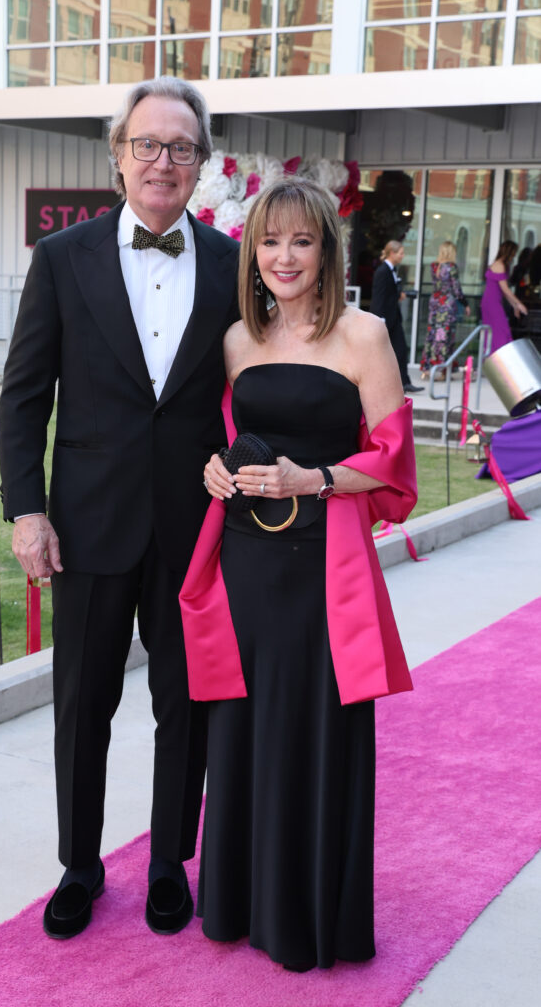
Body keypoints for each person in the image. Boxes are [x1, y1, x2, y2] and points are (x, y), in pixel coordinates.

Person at [0, 77, 240, 940]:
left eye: (180, 146)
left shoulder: (230, 264)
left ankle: (172, 861)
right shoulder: (63, 259)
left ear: (201, 164)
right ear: (118, 156)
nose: (162, 161)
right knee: (82, 706)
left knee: (186, 705)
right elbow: (24, 396)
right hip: (88, 527)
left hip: (196, 528)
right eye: (147, 144)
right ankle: (78, 865)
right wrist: (28, 511)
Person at [179, 178, 417, 971]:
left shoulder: (363, 335)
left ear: (325, 249)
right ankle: (241, 901)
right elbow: (234, 441)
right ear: (252, 252)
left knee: (310, 728)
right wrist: (218, 470)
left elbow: (390, 466)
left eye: (301, 242)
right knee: (242, 730)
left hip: (322, 569)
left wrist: (309, 478)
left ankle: (308, 915)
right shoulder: (236, 340)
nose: (284, 257)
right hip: (246, 566)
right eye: (269, 242)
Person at [370, 240, 423, 393]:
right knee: (384, 352)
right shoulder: (383, 271)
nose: (402, 256)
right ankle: (386, 383)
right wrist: (380, 320)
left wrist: (399, 295)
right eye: (401, 253)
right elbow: (379, 297)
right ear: (392, 253)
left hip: (393, 317)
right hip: (385, 318)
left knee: (400, 350)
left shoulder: (392, 270)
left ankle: (404, 382)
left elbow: (389, 294)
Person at [420, 240, 470, 379]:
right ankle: (442, 370)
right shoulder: (451, 267)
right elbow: (456, 289)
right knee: (445, 336)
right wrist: (465, 304)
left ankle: (428, 368)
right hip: (446, 305)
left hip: (435, 302)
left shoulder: (434, 266)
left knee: (432, 334)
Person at [481, 240, 527, 353]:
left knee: (495, 332)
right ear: (509, 252)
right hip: (492, 304)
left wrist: (515, 306)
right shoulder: (500, 265)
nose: (514, 256)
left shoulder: (498, 264)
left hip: (491, 303)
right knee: (501, 331)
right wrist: (519, 304)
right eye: (513, 253)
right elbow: (506, 290)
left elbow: (504, 292)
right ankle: (499, 359)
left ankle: (493, 359)